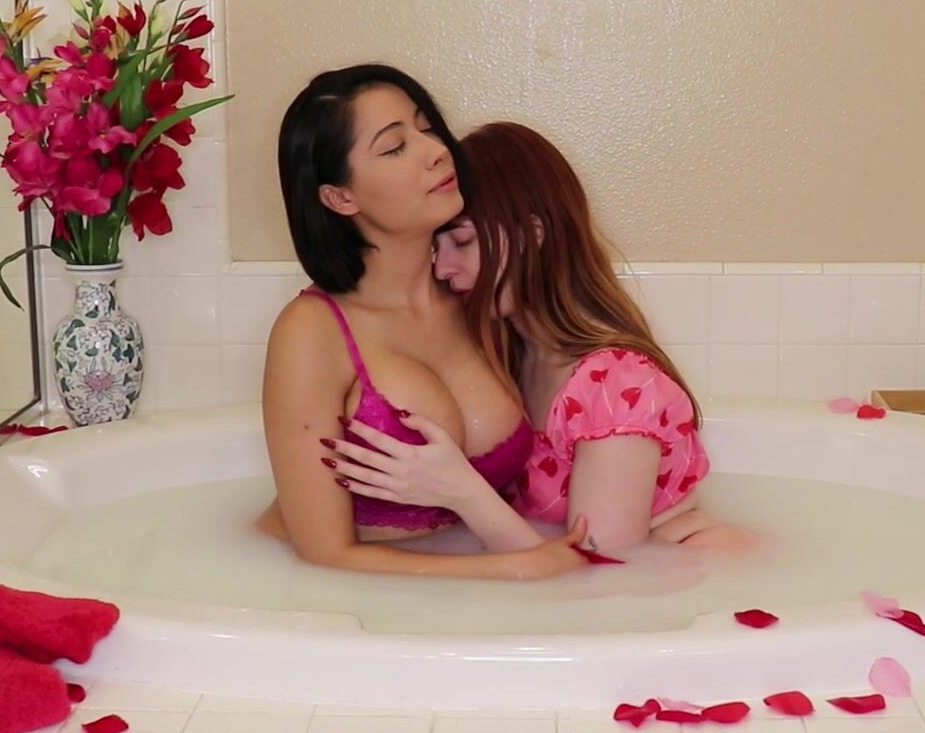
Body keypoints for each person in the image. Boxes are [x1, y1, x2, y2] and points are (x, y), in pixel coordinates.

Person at [323, 121, 750, 552]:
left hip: (686, 568)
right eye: (437, 248)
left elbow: (599, 571)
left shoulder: (619, 385)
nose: (443, 268)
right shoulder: (510, 356)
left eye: (463, 241)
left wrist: (460, 491)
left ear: (531, 236)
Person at [255, 67, 592, 579]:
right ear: (340, 197)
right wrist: (515, 571)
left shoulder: (479, 300)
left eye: (427, 128)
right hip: (343, 596)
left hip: (467, 583)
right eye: (394, 147)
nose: (435, 151)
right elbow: (325, 554)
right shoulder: (312, 332)